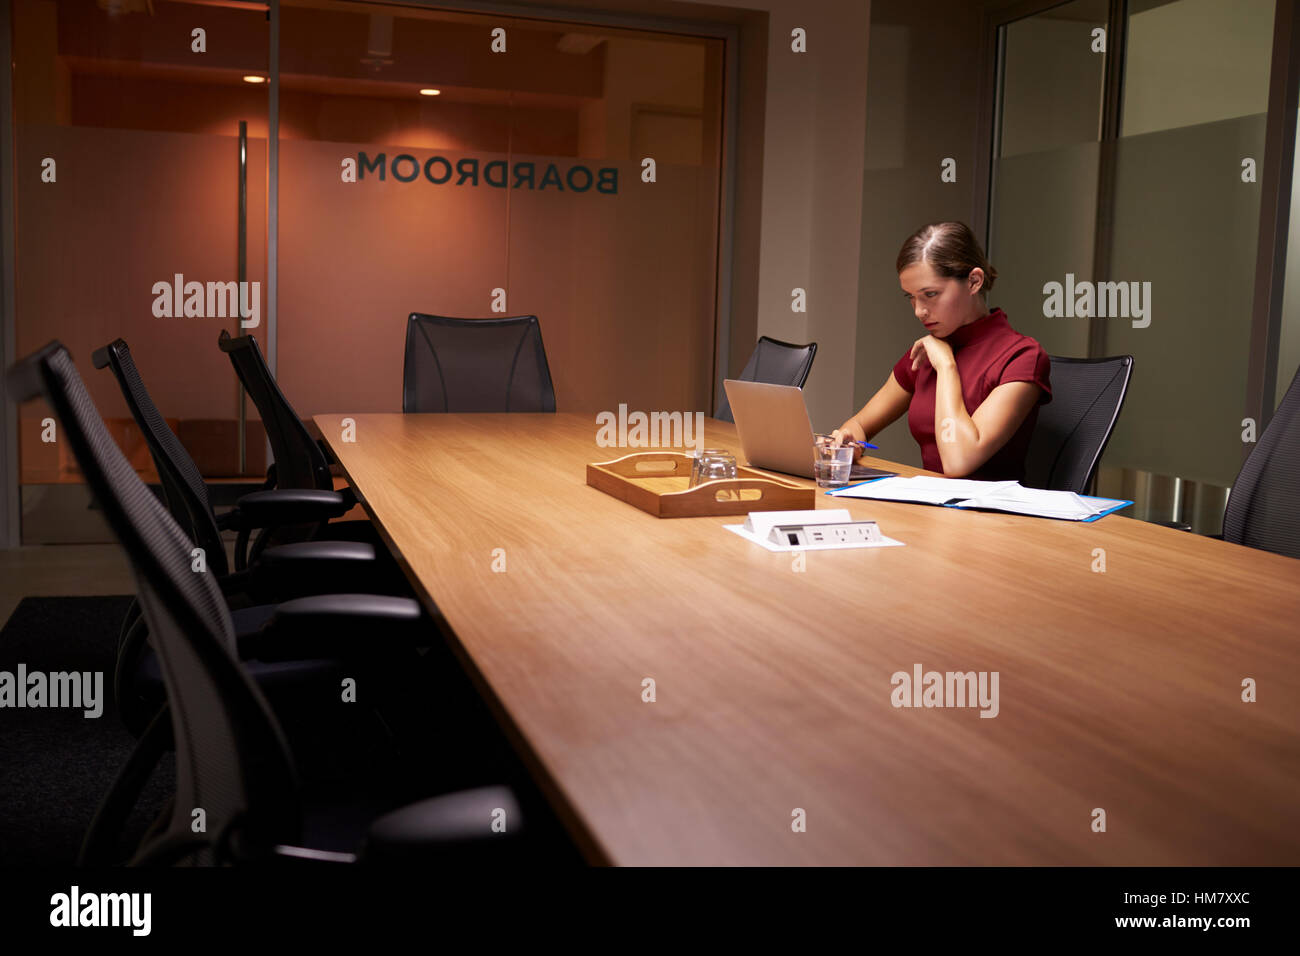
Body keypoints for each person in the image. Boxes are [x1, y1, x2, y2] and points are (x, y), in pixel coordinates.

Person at [831, 221, 1051, 481]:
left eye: (931, 294)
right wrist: (847, 440)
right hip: (930, 508)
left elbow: (959, 461)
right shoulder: (929, 350)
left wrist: (947, 366)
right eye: (910, 297)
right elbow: (858, 425)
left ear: (974, 281)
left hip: (992, 517)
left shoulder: (1022, 357)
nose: (919, 311)